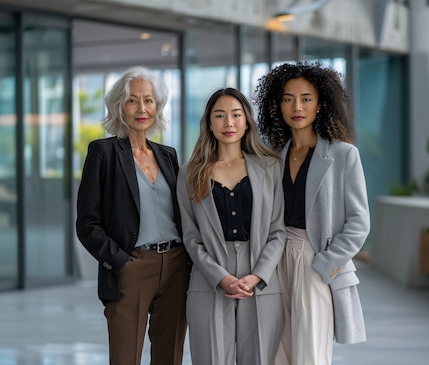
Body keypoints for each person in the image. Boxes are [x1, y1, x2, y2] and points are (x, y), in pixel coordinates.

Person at [252, 61, 370, 365]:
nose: (297, 106)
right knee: (275, 352)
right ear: (278, 105)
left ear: (320, 104)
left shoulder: (344, 155)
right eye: (288, 99)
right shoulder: (273, 156)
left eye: (306, 98)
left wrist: (324, 265)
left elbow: (359, 223)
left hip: (314, 260)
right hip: (274, 260)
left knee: (310, 354)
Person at [76, 66, 189, 365]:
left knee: (170, 357)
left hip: (177, 266)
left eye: (149, 100)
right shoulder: (103, 152)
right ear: (119, 107)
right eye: (132, 100)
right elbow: (87, 223)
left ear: (158, 106)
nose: (142, 108)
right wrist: (121, 262)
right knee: (125, 358)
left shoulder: (168, 155)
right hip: (131, 265)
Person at [177, 88, 285, 365]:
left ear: (246, 121)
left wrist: (258, 275)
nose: (229, 123)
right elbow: (191, 237)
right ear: (209, 123)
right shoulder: (190, 172)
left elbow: (277, 231)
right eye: (220, 116)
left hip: (259, 276)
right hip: (209, 275)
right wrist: (220, 277)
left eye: (236, 115)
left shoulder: (270, 167)